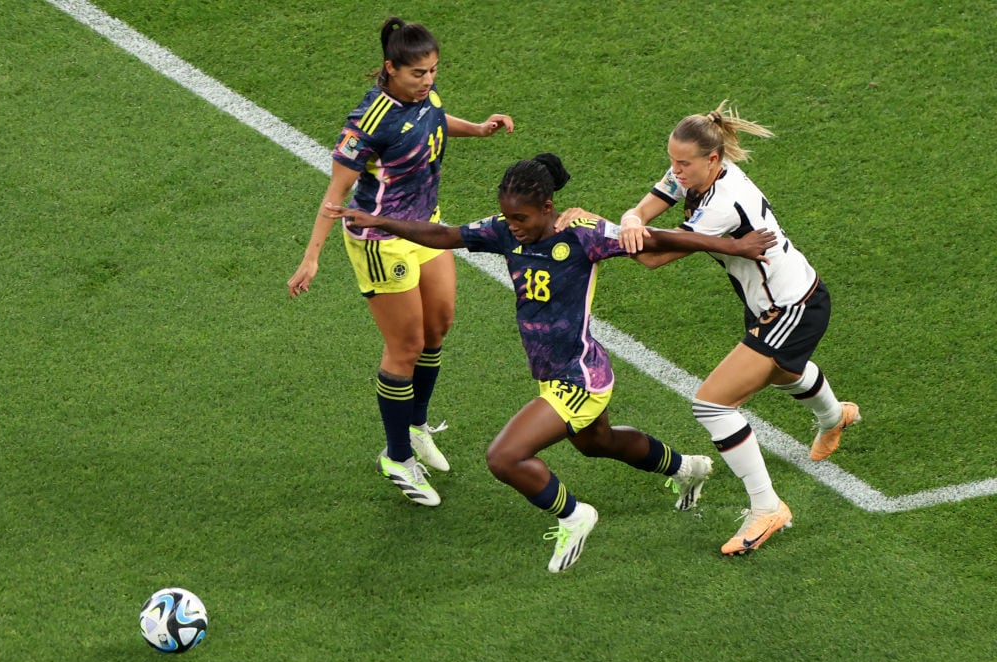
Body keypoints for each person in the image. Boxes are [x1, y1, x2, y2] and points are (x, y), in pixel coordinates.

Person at [325, 153, 777, 572]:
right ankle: (687, 469)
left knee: (505, 457)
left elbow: (658, 239)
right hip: (554, 374)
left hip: (579, 378)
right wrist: (381, 222)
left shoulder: (583, 236)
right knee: (597, 442)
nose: (513, 226)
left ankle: (575, 515)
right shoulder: (504, 231)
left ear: (547, 207)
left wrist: (734, 246)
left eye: (521, 218)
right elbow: (447, 235)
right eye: (508, 217)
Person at [567, 101, 860, 556]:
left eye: (683, 163)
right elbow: (648, 206)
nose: (675, 171)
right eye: (672, 160)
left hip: (791, 307)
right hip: (776, 300)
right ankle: (834, 416)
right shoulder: (693, 173)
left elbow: (654, 256)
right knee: (782, 372)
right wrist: (629, 219)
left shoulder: (723, 203)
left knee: (712, 403)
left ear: (713, 159)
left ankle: (767, 508)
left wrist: (592, 226)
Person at [287, 17, 514, 507]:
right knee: (406, 345)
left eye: (433, 71)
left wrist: (477, 129)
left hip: (425, 226)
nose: (428, 80)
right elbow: (335, 195)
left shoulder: (424, 96)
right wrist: (311, 258)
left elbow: (434, 119)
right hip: (380, 240)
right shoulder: (368, 123)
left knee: (439, 325)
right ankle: (397, 457)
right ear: (390, 68)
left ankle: (415, 426)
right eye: (418, 73)